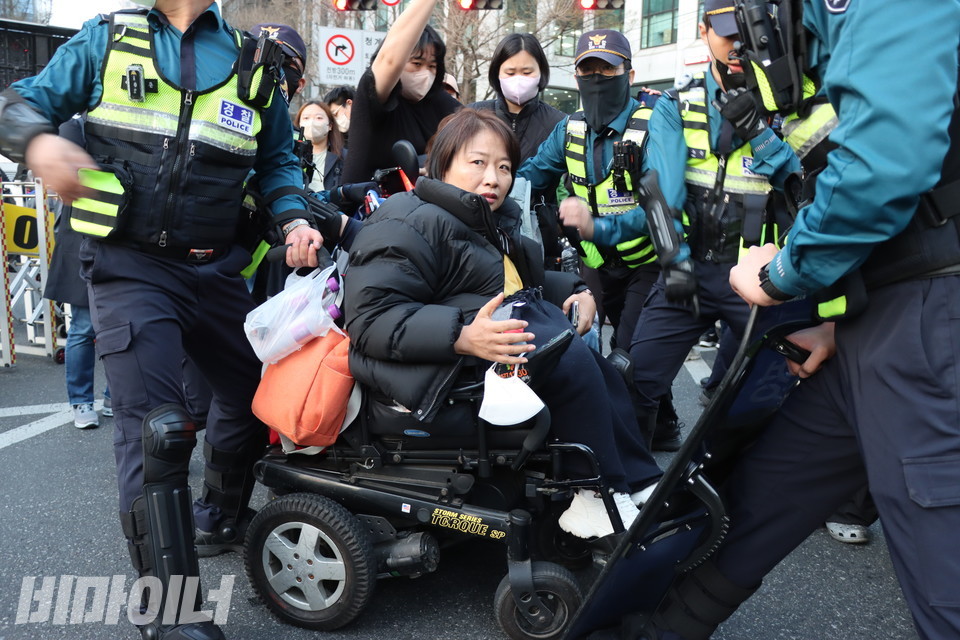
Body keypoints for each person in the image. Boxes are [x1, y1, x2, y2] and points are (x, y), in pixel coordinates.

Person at [0, 1, 324, 637]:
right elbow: (16, 105)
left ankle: (220, 514)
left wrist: (294, 219)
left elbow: (278, 162)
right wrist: (40, 143)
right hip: (131, 268)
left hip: (217, 269)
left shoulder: (254, 62)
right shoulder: (104, 41)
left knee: (259, 394)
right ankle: (170, 612)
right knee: (158, 429)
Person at [637, 0, 960, 638]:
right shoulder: (694, 96)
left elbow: (884, 159)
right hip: (876, 316)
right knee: (754, 500)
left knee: (942, 567)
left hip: (927, 316)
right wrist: (838, 326)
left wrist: (782, 274)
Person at [344, 108, 662, 540]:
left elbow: (517, 281)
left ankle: (637, 479)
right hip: (441, 366)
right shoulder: (408, 219)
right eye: (478, 162)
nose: (493, 178)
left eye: (505, 167)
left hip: (494, 336)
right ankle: (594, 494)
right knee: (567, 360)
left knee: (602, 370)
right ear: (442, 164)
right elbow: (370, 319)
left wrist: (578, 289)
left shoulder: (479, 217)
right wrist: (461, 337)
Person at [559, 7, 800, 452]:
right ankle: (631, 484)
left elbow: (801, 187)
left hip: (762, 277)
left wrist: (758, 132)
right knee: (632, 381)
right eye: (726, 34)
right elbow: (662, 198)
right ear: (704, 31)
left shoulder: (790, 98)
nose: (738, 46)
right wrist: (671, 258)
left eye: (748, 35)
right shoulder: (676, 105)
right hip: (688, 269)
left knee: (768, 397)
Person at [517, 29, 685, 450]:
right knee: (590, 350)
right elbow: (529, 179)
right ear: (575, 76)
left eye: (607, 69)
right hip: (594, 263)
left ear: (629, 73)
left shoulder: (653, 124)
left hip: (648, 263)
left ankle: (633, 461)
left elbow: (662, 208)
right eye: (587, 70)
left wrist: (597, 226)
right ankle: (663, 423)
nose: (596, 78)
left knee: (630, 359)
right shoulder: (569, 129)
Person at [340, 0, 460, 184]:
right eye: (417, 64)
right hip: (364, 198)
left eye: (432, 66)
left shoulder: (443, 105)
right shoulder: (373, 97)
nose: (425, 73)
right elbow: (390, 60)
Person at [44, 117, 111, 429]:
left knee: (122, 327)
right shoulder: (76, 126)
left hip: (122, 237)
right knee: (84, 327)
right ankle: (81, 400)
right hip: (82, 236)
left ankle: (114, 396)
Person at [295, 99, 345, 193]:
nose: (312, 122)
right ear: (299, 124)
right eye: (306, 118)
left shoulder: (344, 157)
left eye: (319, 118)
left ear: (330, 125)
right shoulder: (290, 156)